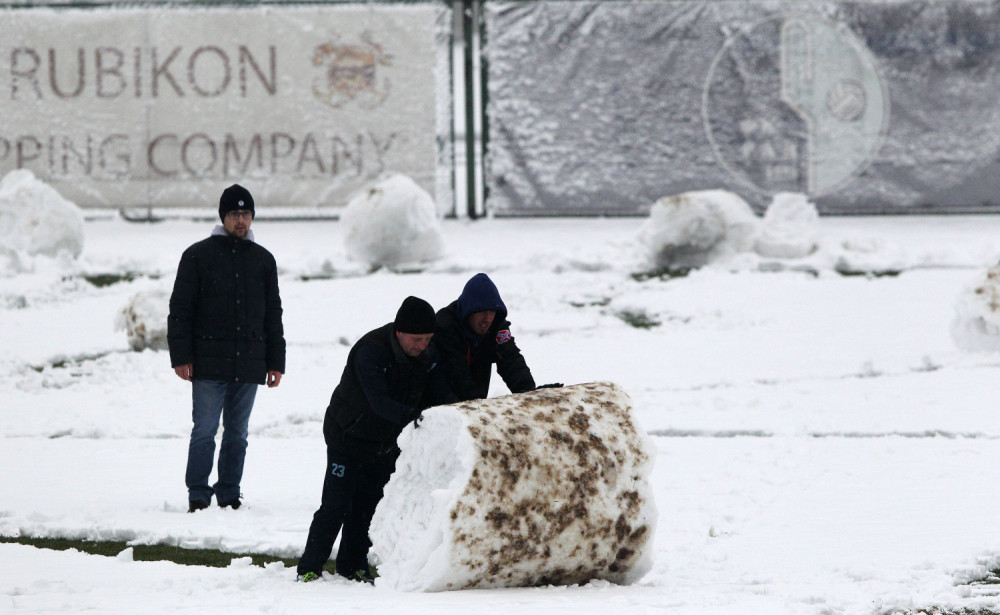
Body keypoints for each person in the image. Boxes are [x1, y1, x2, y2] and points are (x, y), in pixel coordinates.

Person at [296, 296, 456, 584]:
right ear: (399, 332)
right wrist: (416, 416)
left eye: (428, 339)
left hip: (383, 442)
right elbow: (378, 403)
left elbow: (441, 390)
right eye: (417, 339)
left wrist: (453, 411)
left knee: (367, 505)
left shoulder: (427, 355)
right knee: (335, 505)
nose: (422, 346)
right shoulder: (370, 351)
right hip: (347, 436)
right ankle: (309, 567)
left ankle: (352, 566)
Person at [167, 184, 286, 513]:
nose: (241, 220)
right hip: (207, 362)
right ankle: (198, 492)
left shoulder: (263, 260)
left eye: (246, 214)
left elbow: (272, 314)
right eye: (234, 214)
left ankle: (230, 491)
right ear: (223, 216)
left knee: (238, 433)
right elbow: (180, 311)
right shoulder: (197, 256)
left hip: (249, 363)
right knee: (204, 430)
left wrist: (276, 361)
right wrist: (181, 357)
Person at [433, 272, 541, 401]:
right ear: (469, 311)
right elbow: (456, 373)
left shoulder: (497, 325)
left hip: (475, 400)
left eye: (492, 312)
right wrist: (478, 405)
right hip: (441, 402)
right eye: (483, 312)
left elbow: (510, 358)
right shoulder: (445, 327)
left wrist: (527, 392)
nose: (488, 319)